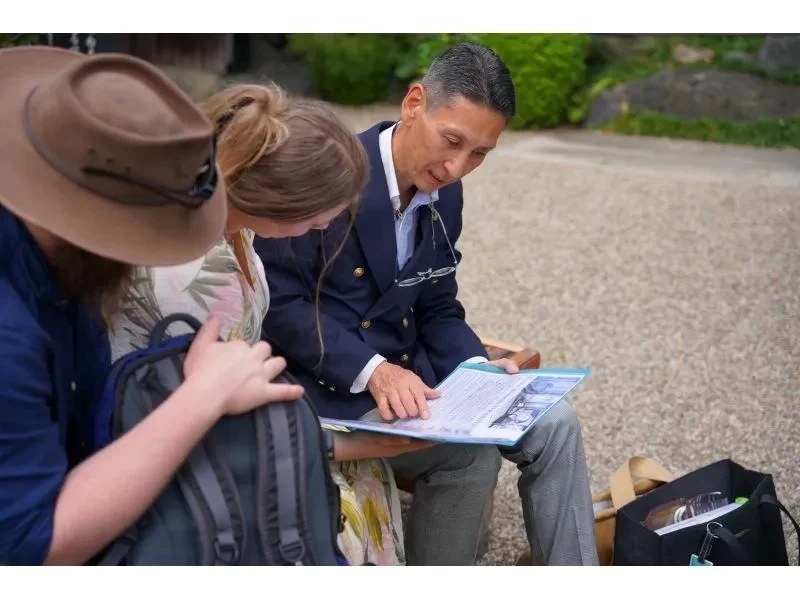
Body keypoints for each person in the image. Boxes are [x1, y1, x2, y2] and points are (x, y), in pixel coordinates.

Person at [254, 42, 599, 565]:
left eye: (480, 153)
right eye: (453, 141)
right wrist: (374, 371)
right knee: (470, 456)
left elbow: (438, 304)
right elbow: (278, 303)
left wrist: (478, 367)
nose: (458, 167)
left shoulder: (446, 191)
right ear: (414, 103)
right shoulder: (329, 168)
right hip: (331, 391)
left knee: (556, 422)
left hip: (414, 379)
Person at [0, 46, 306, 566]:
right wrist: (201, 396)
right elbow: (31, 547)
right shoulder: (10, 333)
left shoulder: (62, 266)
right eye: (154, 232)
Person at [107, 81, 424, 566]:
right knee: (357, 482)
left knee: (370, 469)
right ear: (282, 200)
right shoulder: (202, 275)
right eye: (324, 216)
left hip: (207, 415)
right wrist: (349, 443)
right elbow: (208, 421)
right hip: (171, 451)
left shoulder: (224, 221)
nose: (330, 225)